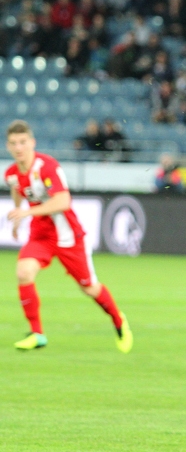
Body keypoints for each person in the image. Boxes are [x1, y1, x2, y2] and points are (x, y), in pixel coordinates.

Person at [4, 120, 133, 353]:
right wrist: (18, 216)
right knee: (23, 272)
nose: (18, 147)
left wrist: (27, 211)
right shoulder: (12, 173)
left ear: (32, 143)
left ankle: (118, 319)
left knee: (89, 288)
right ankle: (37, 333)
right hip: (41, 235)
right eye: (13, 143)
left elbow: (63, 201)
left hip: (68, 237)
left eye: (23, 142)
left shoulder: (47, 167)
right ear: (8, 146)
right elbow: (17, 189)